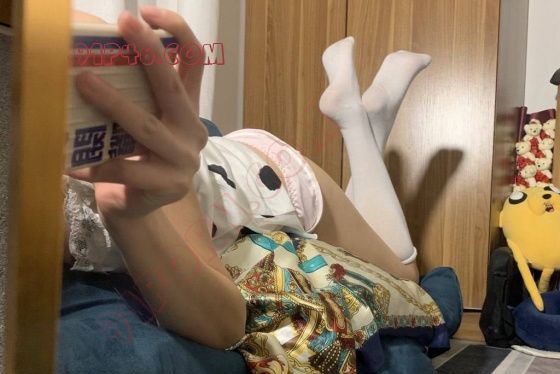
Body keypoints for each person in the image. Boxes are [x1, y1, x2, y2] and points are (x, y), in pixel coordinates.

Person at [66, 7, 432, 351]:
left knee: (404, 276)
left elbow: (224, 324)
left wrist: (129, 212)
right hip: (229, 171)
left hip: (264, 181)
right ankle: (368, 120)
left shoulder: (54, 38)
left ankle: (355, 121)